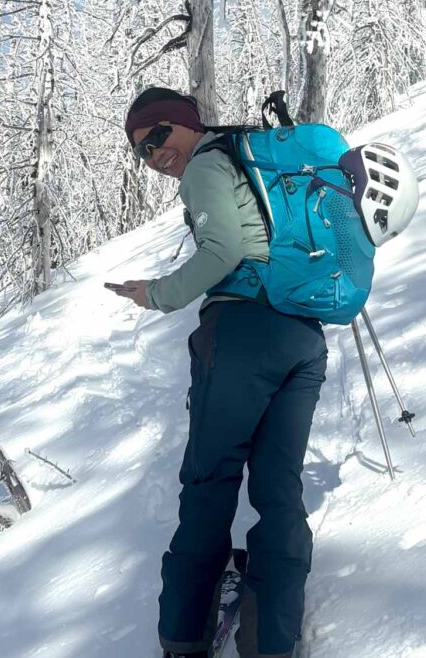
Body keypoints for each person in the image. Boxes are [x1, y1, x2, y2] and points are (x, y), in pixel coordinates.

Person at [112, 87, 328, 658]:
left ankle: (184, 639)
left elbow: (223, 250)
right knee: (279, 489)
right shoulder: (249, 162)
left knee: (209, 483)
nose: (154, 153)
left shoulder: (207, 166)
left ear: (187, 123)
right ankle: (271, 642)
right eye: (141, 149)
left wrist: (158, 293)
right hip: (301, 335)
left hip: (240, 335)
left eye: (159, 135)